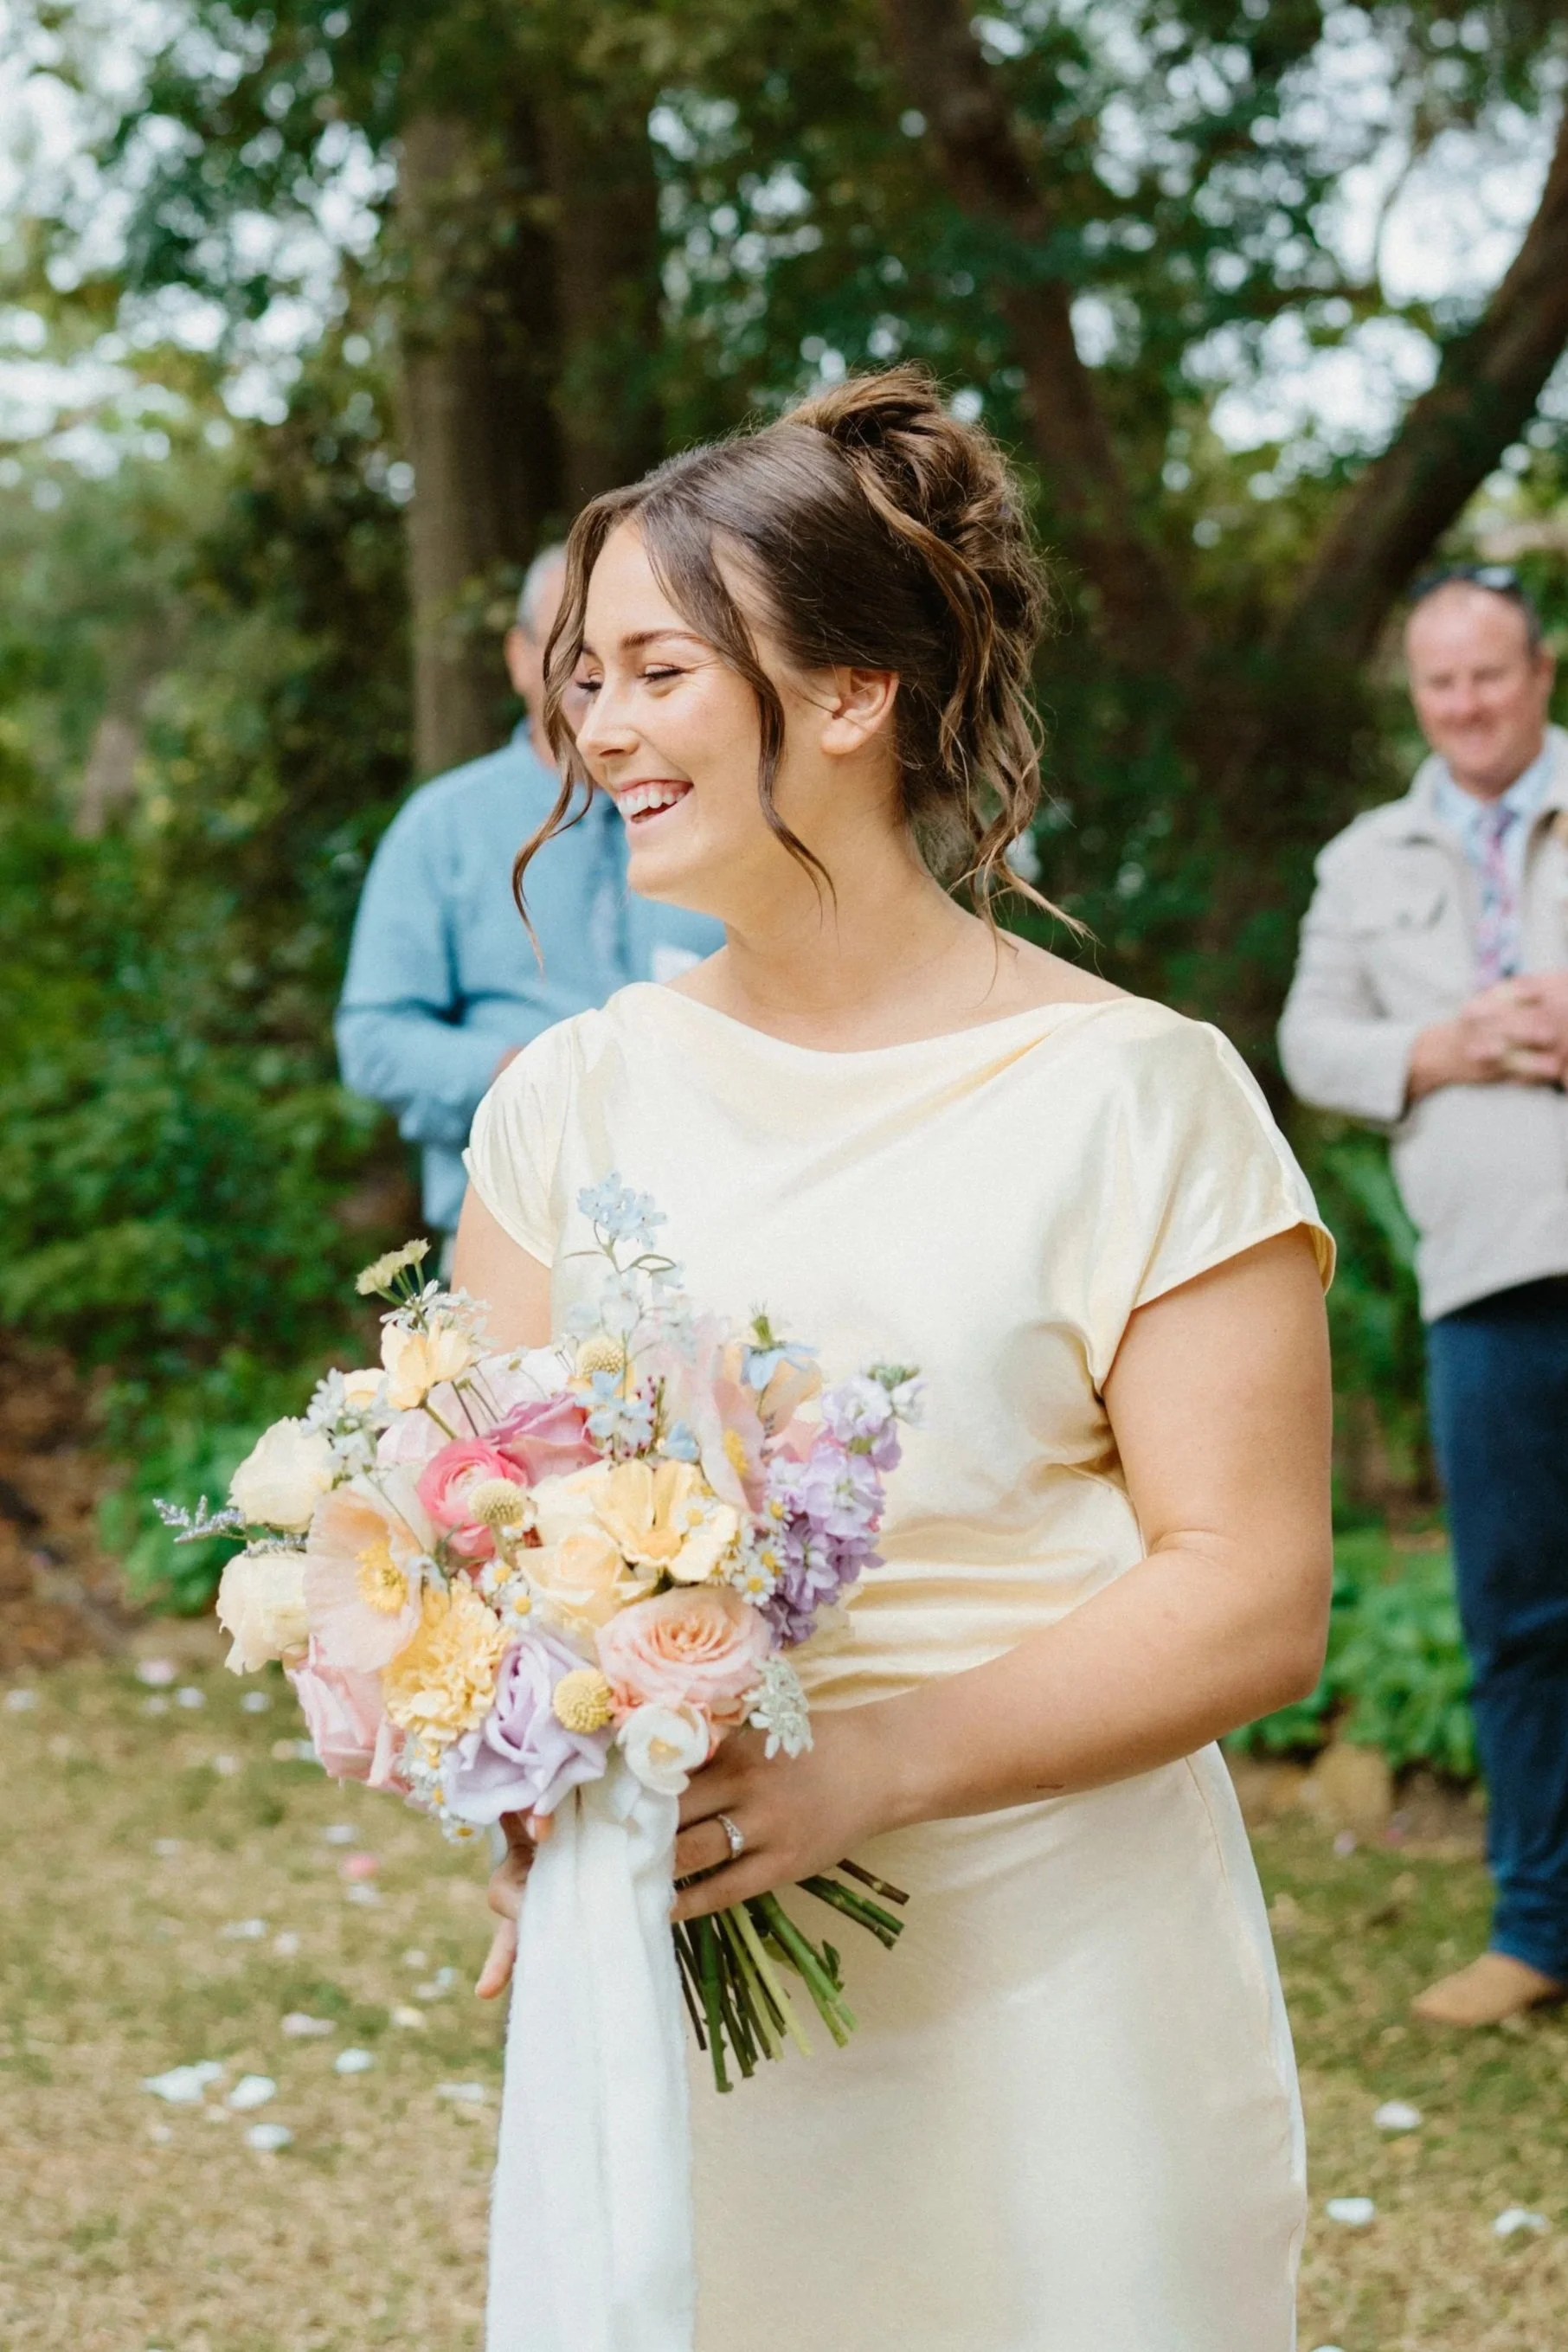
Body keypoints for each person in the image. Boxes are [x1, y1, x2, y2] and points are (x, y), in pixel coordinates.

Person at [456, 367, 1333, 2349]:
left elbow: (1251, 1596)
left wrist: (874, 1765)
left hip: (1062, 1990)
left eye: (654, 670)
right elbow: (479, 1515)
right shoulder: (564, 1102)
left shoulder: (1136, 1099)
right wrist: (521, 1777)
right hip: (679, 1973)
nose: (592, 730)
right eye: (583, 678)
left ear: (846, 694)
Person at [1280, 566, 1568, 2029]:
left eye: (1490, 677)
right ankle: (1535, 1929)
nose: (1464, 704)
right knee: (1514, 1613)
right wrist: (1443, 1043)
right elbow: (1312, 1041)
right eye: (1438, 682)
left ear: (1539, 670)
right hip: (1487, 1277)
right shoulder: (1361, 857)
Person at [335, 549, 721, 1245]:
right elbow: (374, 1039)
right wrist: (526, 1076)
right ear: (519, 657)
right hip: (515, 1236)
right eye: (571, 645)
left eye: (635, 655)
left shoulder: (721, 815)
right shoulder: (443, 826)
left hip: (712, 1227)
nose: (592, 673)